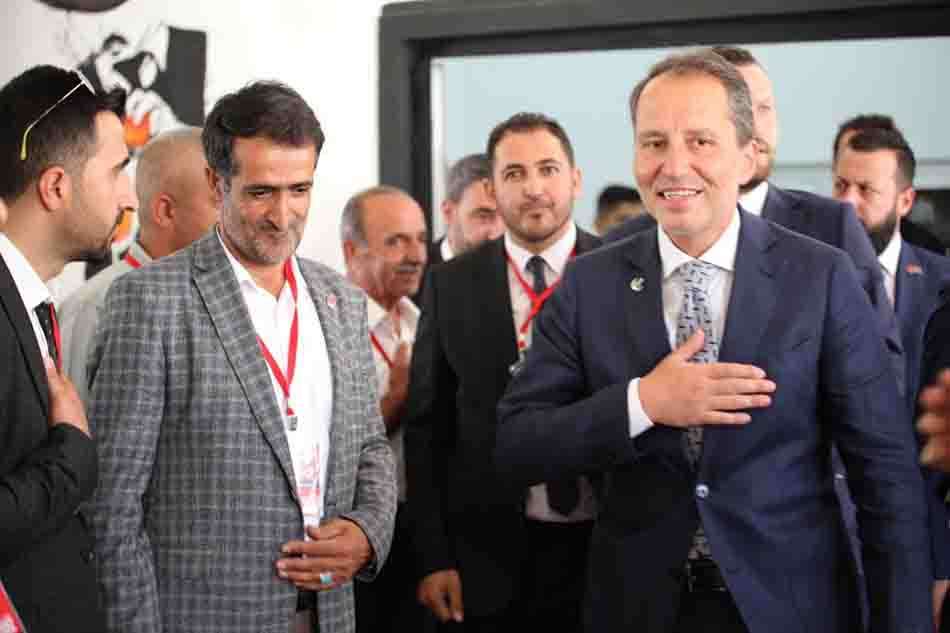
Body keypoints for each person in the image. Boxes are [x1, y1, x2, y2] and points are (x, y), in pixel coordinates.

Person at [495, 48, 932, 633]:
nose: (674, 166)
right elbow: (518, 443)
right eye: (654, 143)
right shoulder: (589, 281)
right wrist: (642, 403)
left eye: (700, 141)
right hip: (641, 609)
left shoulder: (820, 276)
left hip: (790, 607)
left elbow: (885, 475)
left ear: (747, 154)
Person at [87, 80, 396, 633]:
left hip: (329, 613)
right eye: (261, 193)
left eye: (299, 189)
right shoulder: (150, 302)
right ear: (217, 183)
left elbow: (370, 446)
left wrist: (368, 531)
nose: (283, 215)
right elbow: (112, 505)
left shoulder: (341, 301)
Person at [603, 45, 903, 392]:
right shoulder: (615, 249)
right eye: (743, 107)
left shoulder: (831, 227)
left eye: (764, 108)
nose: (756, 126)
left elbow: (879, 368)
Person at [406, 112, 601, 633]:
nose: (534, 188)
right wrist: (434, 557)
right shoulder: (452, 284)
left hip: (604, 546)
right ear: (492, 189)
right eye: (515, 174)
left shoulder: (622, 270)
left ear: (575, 179)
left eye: (548, 169)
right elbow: (428, 429)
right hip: (487, 556)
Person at [0, 64, 137, 633]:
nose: (130, 196)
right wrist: (72, 459)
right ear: (56, 186)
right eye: (118, 171)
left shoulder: (30, 300)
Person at [59, 126, 218, 403]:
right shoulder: (94, 307)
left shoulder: (232, 295)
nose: (237, 218)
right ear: (166, 211)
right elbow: (74, 425)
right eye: (220, 201)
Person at [341, 185, 429, 633]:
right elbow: (325, 445)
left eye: (420, 239)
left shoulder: (422, 321)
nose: (415, 255)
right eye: (396, 241)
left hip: (423, 528)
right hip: (357, 531)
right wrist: (394, 402)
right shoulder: (328, 328)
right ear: (351, 251)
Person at [833, 114, 945, 255]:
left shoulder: (930, 254)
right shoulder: (812, 252)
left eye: (865, 189)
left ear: (905, 201)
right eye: (841, 185)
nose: (847, 201)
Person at [434, 154, 503, 265]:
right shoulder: (418, 271)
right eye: (483, 217)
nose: (498, 234)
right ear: (448, 213)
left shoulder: (521, 269)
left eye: (505, 217)